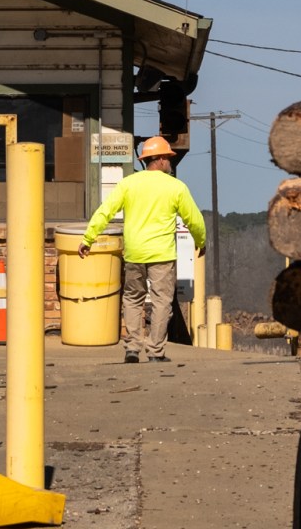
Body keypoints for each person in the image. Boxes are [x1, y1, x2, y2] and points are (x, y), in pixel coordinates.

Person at [79, 136, 206, 363]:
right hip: (162, 255)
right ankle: (156, 352)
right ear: (158, 159)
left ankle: (132, 348)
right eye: (167, 157)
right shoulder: (175, 187)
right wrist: (201, 240)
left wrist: (88, 238)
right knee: (161, 301)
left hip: (134, 253)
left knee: (132, 299)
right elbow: (193, 219)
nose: (170, 161)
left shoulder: (129, 184)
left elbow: (105, 211)